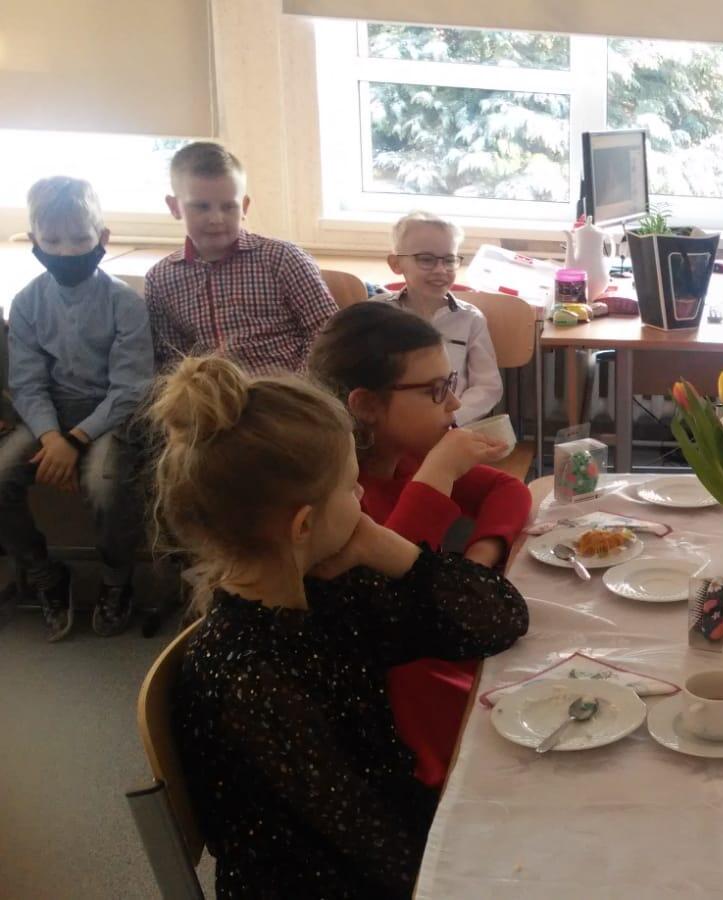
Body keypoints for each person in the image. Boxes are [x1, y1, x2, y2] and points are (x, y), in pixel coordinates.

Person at [157, 355, 528, 897]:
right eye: (352, 487)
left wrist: (388, 547)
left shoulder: (330, 593)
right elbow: (376, 854)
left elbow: (500, 621)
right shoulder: (250, 678)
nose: (362, 499)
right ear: (304, 524)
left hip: (401, 845)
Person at [309, 301, 530, 789]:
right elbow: (376, 593)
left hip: (442, 663)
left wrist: (479, 560)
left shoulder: (405, 456)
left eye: (450, 383)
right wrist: (439, 473)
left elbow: (507, 490)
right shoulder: (339, 500)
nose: (454, 404)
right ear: (366, 405)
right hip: (400, 729)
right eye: (436, 390)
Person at [1, 176, 154, 640]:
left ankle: (116, 580)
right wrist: (52, 438)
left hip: (110, 418)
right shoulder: (27, 303)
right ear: (34, 242)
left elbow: (130, 388)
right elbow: (26, 383)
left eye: (79, 239)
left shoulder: (125, 303)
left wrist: (74, 441)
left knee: (106, 485)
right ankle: (45, 574)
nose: (66, 252)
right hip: (49, 418)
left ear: (102, 238)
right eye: (52, 242)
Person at [144, 141, 337, 374]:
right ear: (174, 207)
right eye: (201, 207)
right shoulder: (160, 280)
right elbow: (173, 359)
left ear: (244, 206)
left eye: (228, 207)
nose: (216, 219)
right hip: (212, 393)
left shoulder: (282, 259)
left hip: (288, 388)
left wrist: (298, 385)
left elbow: (327, 333)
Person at [373, 211, 502, 424]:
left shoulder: (470, 319)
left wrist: (451, 418)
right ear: (396, 264)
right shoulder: (377, 313)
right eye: (426, 259)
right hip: (391, 427)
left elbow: (487, 386)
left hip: (451, 426)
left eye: (449, 260)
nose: (441, 270)